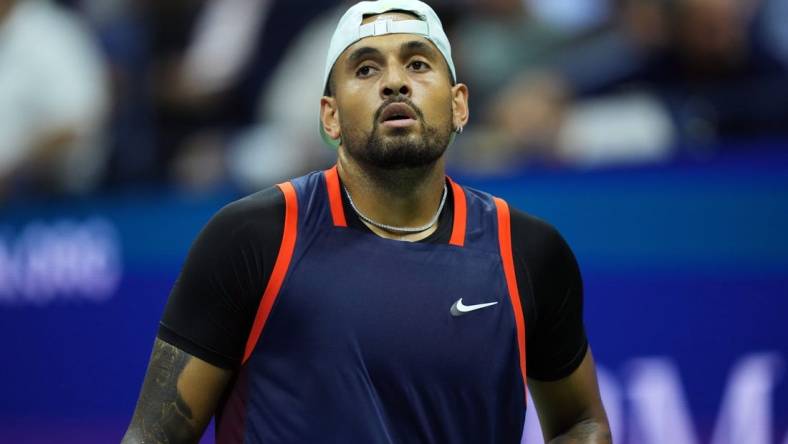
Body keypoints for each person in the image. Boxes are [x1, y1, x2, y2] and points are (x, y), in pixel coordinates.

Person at [122, 1, 611, 443]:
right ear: (329, 117)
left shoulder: (526, 251)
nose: (395, 82)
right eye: (366, 68)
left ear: (460, 103)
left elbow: (581, 423)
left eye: (418, 64)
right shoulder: (252, 239)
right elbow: (153, 437)